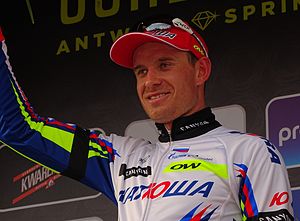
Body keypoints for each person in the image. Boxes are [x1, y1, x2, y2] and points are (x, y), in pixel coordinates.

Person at [0, 17, 294, 221]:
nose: (149, 81)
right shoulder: (119, 157)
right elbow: (21, 129)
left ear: (200, 71)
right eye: (141, 71)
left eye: (164, 65)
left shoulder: (248, 152)